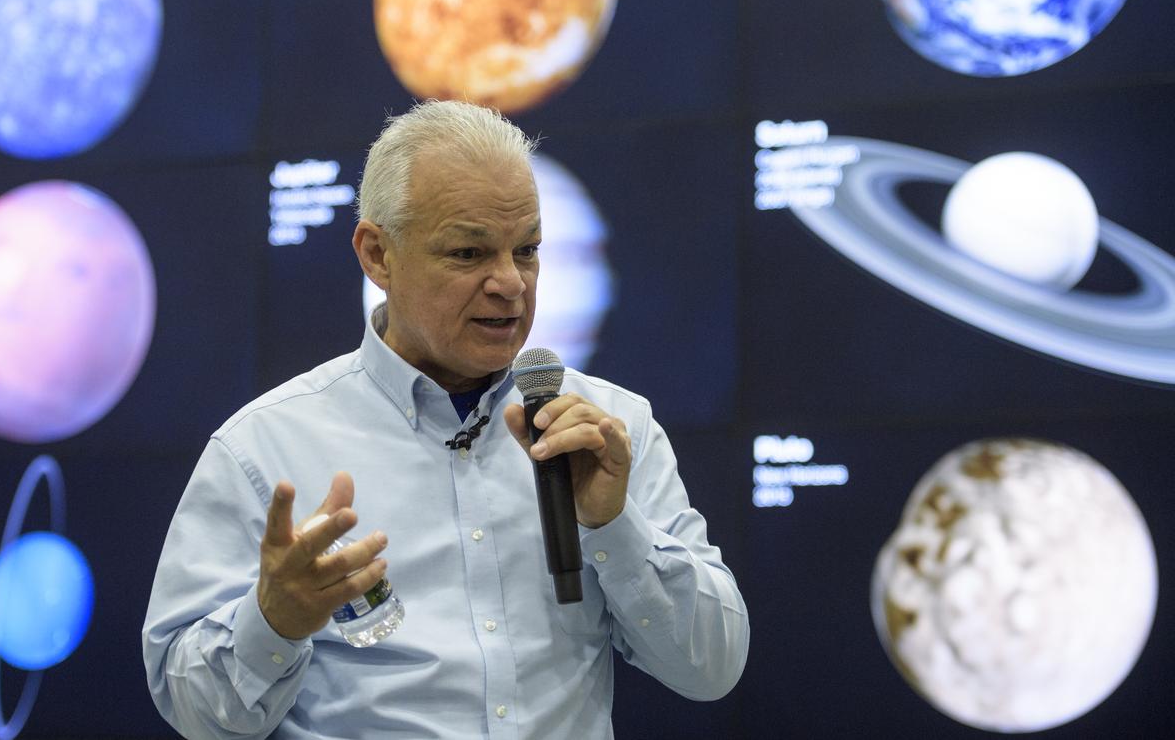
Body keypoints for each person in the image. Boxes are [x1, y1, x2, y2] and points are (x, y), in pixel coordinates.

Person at [142, 100, 749, 739]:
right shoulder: (264, 449)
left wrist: (611, 524)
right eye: (468, 253)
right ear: (378, 255)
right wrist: (274, 621)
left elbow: (711, 669)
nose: (511, 283)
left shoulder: (607, 429)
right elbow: (193, 713)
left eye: (529, 249)